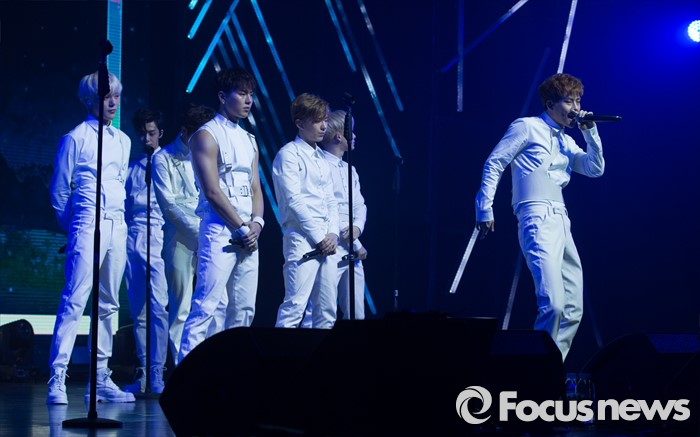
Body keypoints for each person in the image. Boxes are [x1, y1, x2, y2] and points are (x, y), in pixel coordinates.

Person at [475, 73, 605, 361]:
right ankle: (535, 369)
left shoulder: (566, 141)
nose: (575, 108)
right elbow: (495, 162)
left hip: (562, 219)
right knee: (554, 304)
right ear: (550, 104)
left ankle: (550, 368)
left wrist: (590, 133)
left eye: (578, 101)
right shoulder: (527, 127)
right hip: (536, 215)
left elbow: (594, 169)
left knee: (573, 308)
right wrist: (484, 207)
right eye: (569, 101)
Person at [47, 71, 134, 404]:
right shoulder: (75, 138)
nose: (113, 102)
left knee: (109, 302)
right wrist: (75, 226)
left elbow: (119, 182)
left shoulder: (123, 141)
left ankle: (99, 377)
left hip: (117, 223)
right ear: (89, 99)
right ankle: (57, 375)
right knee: (75, 298)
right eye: (106, 96)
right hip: (87, 221)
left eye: (116, 96)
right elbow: (59, 191)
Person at [178, 68, 264, 363]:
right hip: (220, 230)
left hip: (248, 232)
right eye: (241, 93)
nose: (248, 100)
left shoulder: (249, 139)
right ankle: (185, 375)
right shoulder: (205, 136)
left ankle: (233, 373)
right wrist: (241, 227)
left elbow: (255, 187)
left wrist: (257, 223)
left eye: (250, 94)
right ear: (222, 96)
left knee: (243, 310)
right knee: (207, 305)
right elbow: (212, 191)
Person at [152, 104, 216, 366]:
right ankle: (184, 368)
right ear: (184, 131)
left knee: (213, 304)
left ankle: (211, 365)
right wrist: (200, 233)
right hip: (179, 238)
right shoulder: (163, 158)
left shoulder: (210, 155)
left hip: (210, 236)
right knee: (181, 306)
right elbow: (169, 207)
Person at [272, 93, 339, 329]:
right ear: (300, 123)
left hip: (327, 240)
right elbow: (294, 201)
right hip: (301, 238)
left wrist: (333, 234)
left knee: (327, 311)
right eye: (317, 120)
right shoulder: (288, 154)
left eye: (325, 120)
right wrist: (320, 237)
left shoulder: (322, 158)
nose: (323, 126)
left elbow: (331, 200)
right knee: (295, 307)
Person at [301, 110, 367, 327]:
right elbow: (328, 208)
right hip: (331, 246)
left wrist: (357, 228)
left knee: (356, 314)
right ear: (339, 136)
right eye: (351, 131)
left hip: (352, 247)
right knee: (322, 311)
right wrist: (354, 241)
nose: (354, 136)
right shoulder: (320, 165)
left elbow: (360, 205)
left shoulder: (351, 169)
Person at [123, 108, 168, 394]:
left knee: (159, 307)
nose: (146, 138)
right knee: (138, 308)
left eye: (151, 133)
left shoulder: (170, 163)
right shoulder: (132, 168)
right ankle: (143, 370)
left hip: (160, 234)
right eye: (142, 133)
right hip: (134, 235)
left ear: (160, 133)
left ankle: (157, 371)